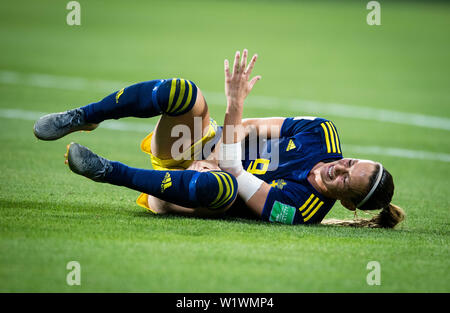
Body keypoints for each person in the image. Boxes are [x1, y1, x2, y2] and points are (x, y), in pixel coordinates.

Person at [33, 49, 405, 228]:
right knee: (184, 91)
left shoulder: (299, 210)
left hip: (187, 194)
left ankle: (106, 170)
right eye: (351, 162)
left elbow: (233, 169)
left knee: (224, 188)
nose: (339, 167)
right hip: (198, 148)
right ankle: (84, 116)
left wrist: (235, 104)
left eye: (345, 180)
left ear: (349, 204)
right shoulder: (321, 133)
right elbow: (247, 129)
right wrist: (212, 149)